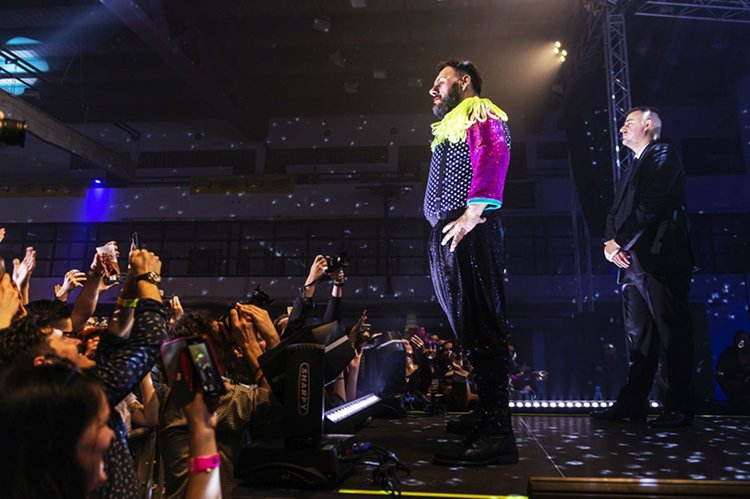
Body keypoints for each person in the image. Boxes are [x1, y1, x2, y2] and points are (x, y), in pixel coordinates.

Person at [423, 59, 515, 466]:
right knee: (468, 328)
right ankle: (485, 414)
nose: (433, 89)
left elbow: (493, 154)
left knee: (482, 324)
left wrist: (473, 214)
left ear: (463, 82)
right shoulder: (451, 124)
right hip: (449, 231)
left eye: (440, 82)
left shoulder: (480, 110)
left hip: (469, 228)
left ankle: (498, 433)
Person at [591, 107, 695, 428]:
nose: (622, 128)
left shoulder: (662, 155)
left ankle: (679, 406)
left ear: (648, 125)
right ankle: (633, 403)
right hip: (632, 262)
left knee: (672, 333)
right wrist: (610, 245)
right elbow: (615, 212)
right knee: (640, 338)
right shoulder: (633, 165)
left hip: (660, 258)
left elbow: (651, 206)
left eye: (629, 123)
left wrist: (619, 241)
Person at [715, 330, 750, 414]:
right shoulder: (728, 354)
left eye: (745, 339)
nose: (743, 342)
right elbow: (719, 373)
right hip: (733, 392)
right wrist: (727, 387)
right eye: (740, 339)